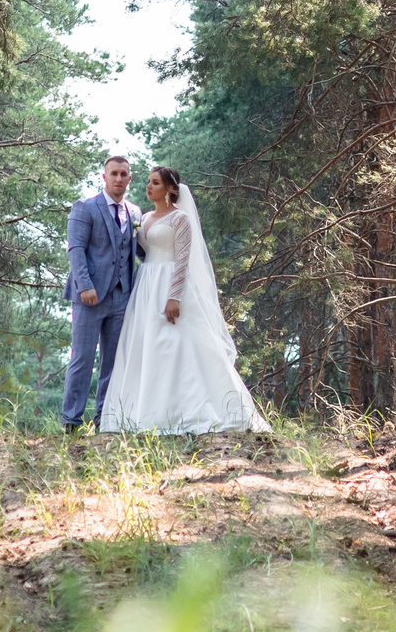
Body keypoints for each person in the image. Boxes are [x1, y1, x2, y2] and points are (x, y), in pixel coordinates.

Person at [98, 166, 272, 435]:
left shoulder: (180, 219)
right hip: (145, 286)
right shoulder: (142, 218)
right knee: (145, 346)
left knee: (175, 345)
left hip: (169, 284)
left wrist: (174, 296)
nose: (149, 186)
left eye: (155, 183)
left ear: (170, 190)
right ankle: (140, 413)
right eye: (148, 182)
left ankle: (188, 411)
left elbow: (182, 262)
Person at [63, 154, 142, 431]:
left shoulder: (134, 212)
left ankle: (104, 421)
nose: (119, 178)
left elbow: (141, 250)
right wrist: (84, 286)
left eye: (124, 174)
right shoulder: (85, 207)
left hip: (122, 297)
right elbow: (76, 249)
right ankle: (71, 422)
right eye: (114, 174)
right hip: (90, 297)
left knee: (113, 362)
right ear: (104, 176)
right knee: (82, 359)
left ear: (129, 178)